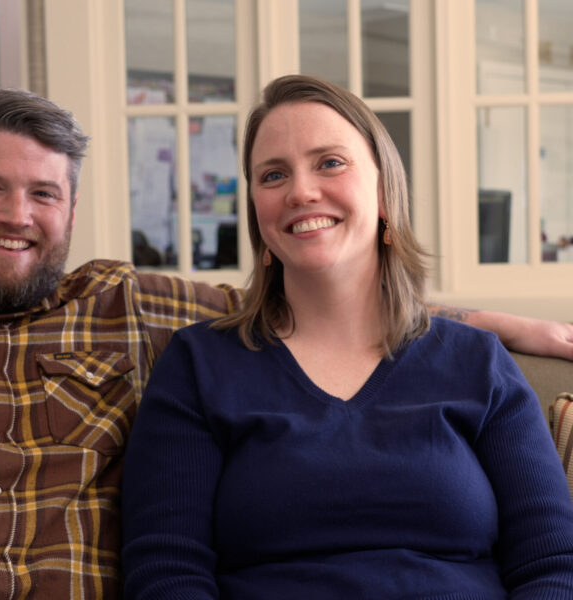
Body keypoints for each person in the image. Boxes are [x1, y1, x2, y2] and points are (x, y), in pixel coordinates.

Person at [0, 87, 569, 600]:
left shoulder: (117, 302)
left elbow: (336, 287)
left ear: (72, 209)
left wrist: (520, 332)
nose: (18, 214)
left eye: (44, 192)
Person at [121, 75, 573, 599]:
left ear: (384, 192)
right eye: (273, 175)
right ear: (256, 214)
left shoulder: (479, 362)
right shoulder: (198, 365)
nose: (301, 191)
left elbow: (553, 564)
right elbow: (167, 573)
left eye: (330, 163)